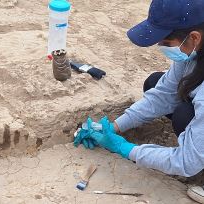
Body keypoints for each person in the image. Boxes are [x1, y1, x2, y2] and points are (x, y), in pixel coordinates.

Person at [73, 0, 204, 203]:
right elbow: (163, 95)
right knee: (154, 83)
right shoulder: (194, 52)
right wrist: (114, 127)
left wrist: (125, 149)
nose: (160, 47)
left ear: (194, 37)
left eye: (166, 43)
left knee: (184, 116)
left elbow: (186, 162)